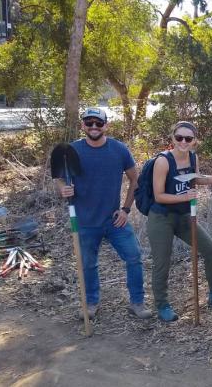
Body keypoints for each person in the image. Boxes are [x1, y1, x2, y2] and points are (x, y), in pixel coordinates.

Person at [56, 107, 151, 320]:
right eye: (89, 123)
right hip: (84, 221)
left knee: (134, 256)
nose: (94, 127)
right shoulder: (72, 150)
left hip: (114, 220)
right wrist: (63, 188)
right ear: (83, 126)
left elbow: (135, 179)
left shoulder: (119, 149)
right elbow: (60, 178)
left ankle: (137, 302)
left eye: (98, 123)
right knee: (88, 263)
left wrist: (126, 209)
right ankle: (91, 303)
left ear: (106, 125)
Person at [146, 121, 212, 322]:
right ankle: (162, 304)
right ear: (172, 138)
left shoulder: (192, 157)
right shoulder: (163, 161)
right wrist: (185, 197)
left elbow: (195, 179)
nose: (183, 142)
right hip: (161, 217)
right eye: (179, 137)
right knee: (162, 262)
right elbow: (159, 195)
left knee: (211, 250)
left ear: (194, 140)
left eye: (188, 138)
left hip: (183, 216)